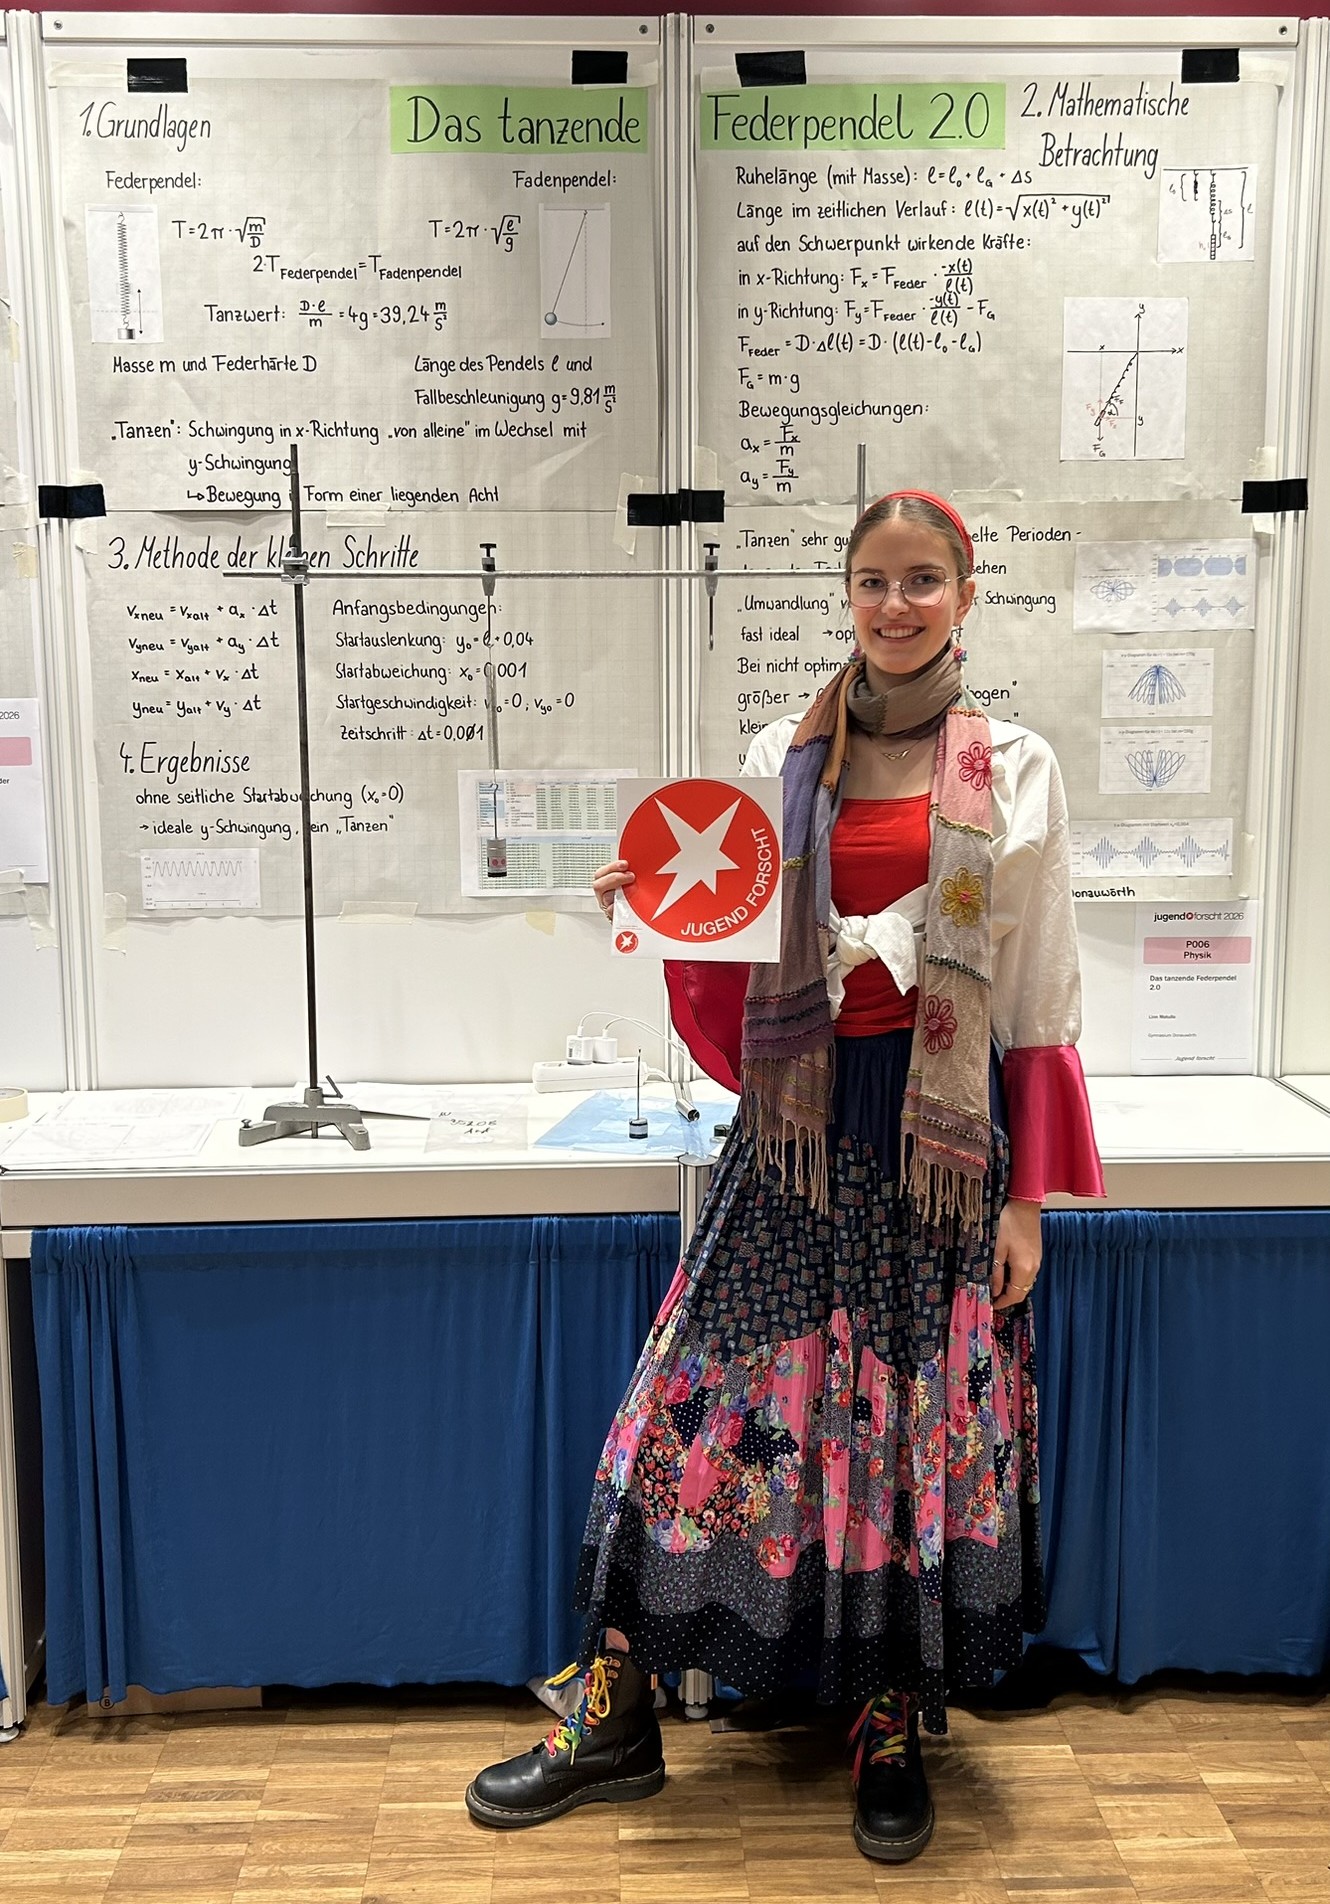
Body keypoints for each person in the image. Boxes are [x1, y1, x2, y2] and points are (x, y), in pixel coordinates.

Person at [465, 489, 1104, 1861]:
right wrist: (655, 909)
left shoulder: (1016, 767)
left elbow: (1039, 994)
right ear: (847, 593)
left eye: (921, 580)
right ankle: (615, 1718)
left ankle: (888, 1723)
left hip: (936, 1151)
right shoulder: (782, 759)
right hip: (796, 1137)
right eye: (873, 579)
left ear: (966, 595)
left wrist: (1027, 1203)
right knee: (682, 1418)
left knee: (903, 1442)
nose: (894, 605)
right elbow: (738, 968)